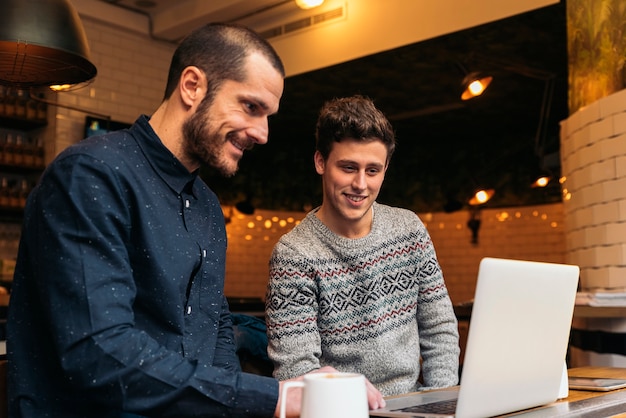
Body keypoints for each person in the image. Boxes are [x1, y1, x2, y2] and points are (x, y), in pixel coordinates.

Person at [6, 24, 384, 418]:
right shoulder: (91, 174)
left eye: (268, 115)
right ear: (192, 86)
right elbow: (99, 352)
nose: (263, 133)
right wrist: (277, 397)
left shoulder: (205, 205)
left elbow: (215, 333)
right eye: (251, 107)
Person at [265, 95, 460, 396]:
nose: (360, 184)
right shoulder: (294, 255)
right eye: (348, 167)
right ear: (320, 162)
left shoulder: (410, 230)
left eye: (372, 171)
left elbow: (440, 330)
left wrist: (442, 403)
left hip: (413, 404)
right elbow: (296, 371)